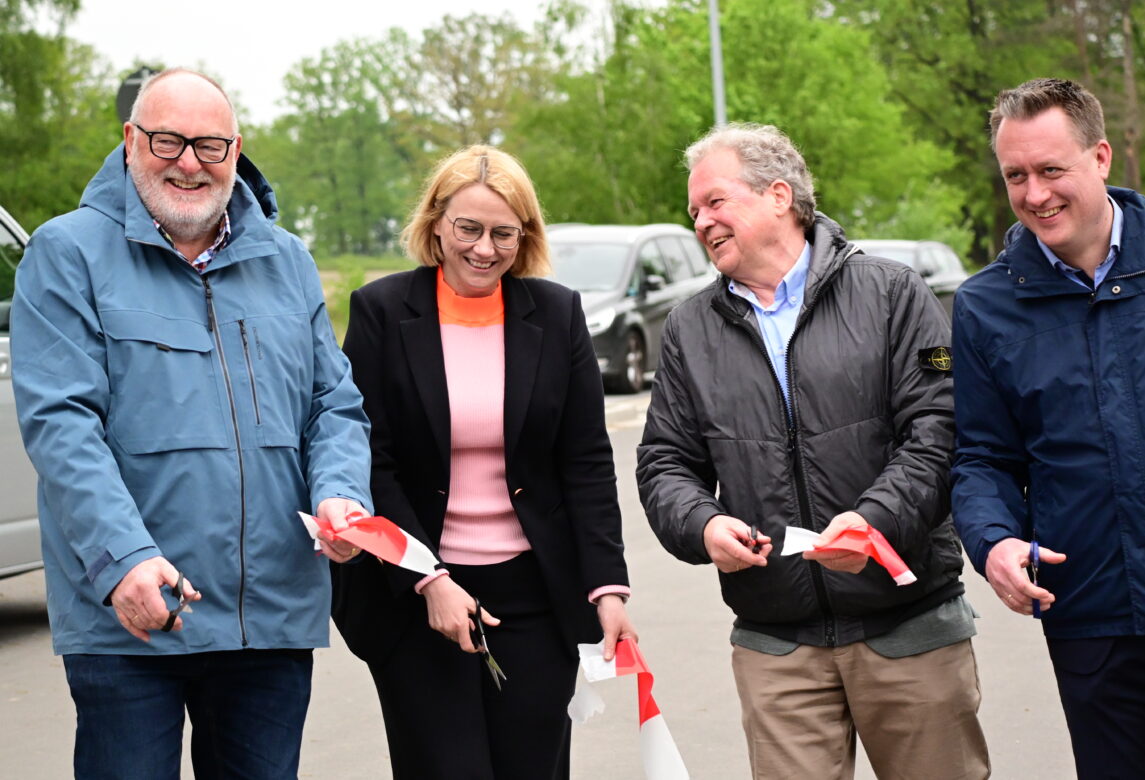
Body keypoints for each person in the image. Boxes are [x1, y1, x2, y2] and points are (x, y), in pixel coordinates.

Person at [10, 68, 372, 779]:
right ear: (129, 139)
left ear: (236, 150)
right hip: (133, 616)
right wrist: (123, 561)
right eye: (168, 141)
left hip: (266, 617)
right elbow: (63, 422)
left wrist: (340, 494)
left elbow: (333, 404)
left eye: (209, 146)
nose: (187, 162)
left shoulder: (288, 261)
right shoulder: (68, 253)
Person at [636, 123, 989, 780]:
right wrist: (703, 523)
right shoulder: (689, 327)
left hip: (909, 632)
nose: (701, 222)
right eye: (693, 212)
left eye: (715, 202)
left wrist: (873, 523)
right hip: (776, 646)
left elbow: (938, 431)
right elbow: (664, 462)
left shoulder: (889, 292)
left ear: (778, 196)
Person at [331, 144, 636, 779]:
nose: (484, 249)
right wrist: (428, 578)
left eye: (504, 233)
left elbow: (585, 461)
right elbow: (370, 458)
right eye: (468, 228)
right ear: (436, 222)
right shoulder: (383, 312)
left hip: (535, 600)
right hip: (418, 600)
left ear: (525, 236)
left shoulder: (556, 314)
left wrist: (607, 588)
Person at [951, 77, 1145, 778]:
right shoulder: (986, 306)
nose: (1035, 193)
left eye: (1051, 170)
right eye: (1016, 175)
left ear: (1101, 157)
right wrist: (994, 543)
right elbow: (981, 457)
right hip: (1094, 615)